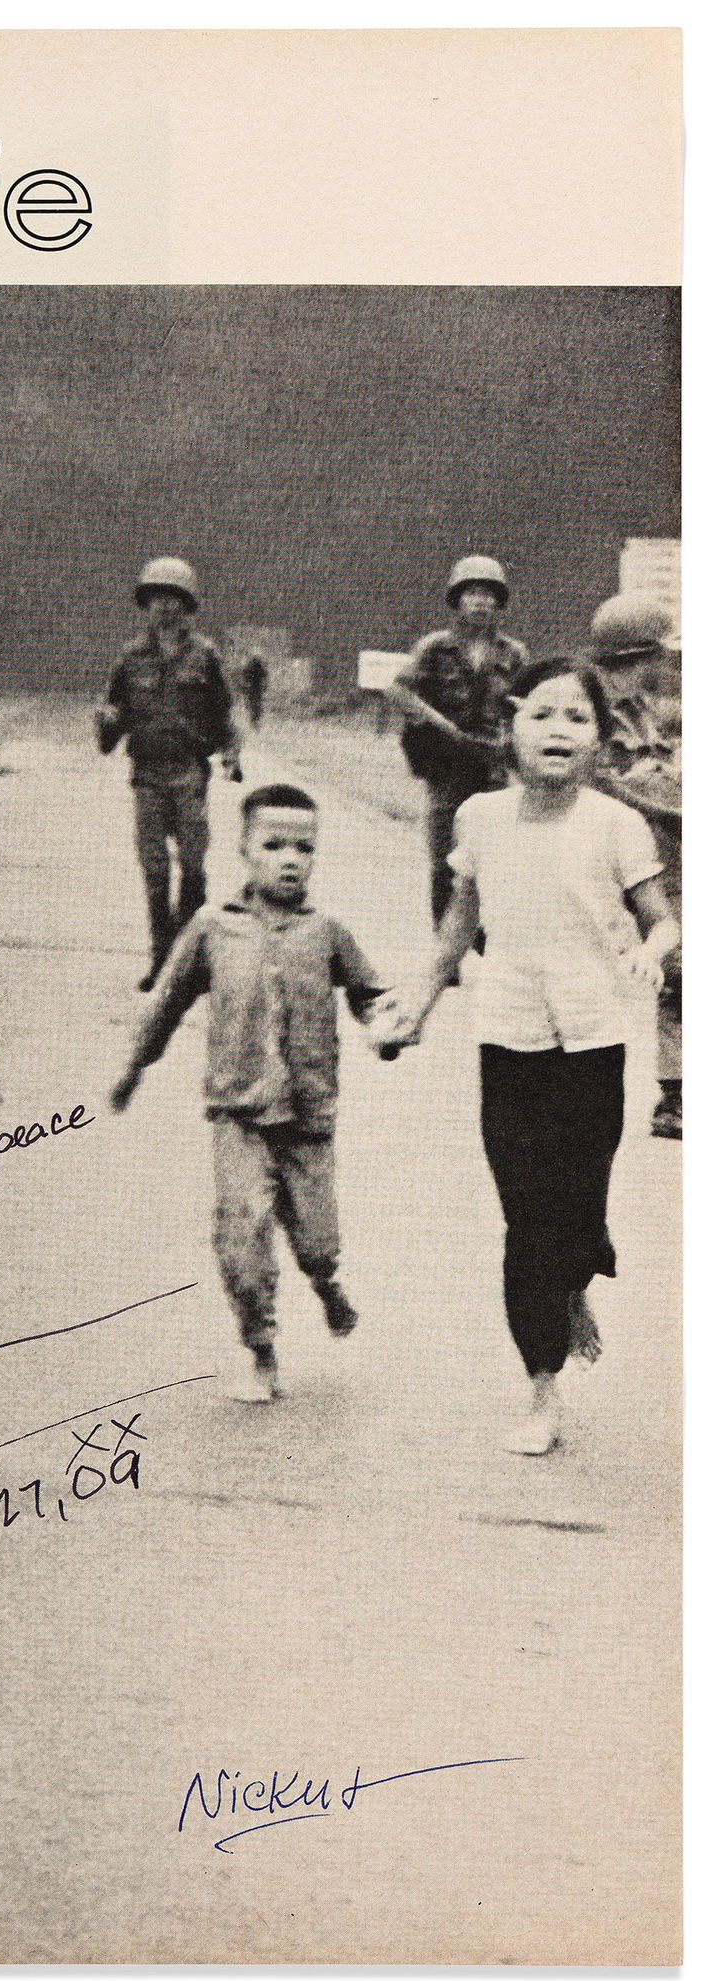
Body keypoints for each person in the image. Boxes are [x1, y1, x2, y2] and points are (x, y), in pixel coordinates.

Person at [388, 662, 678, 1457]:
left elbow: (661, 919)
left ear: (600, 740)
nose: (558, 730)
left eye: (577, 718)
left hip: (591, 1037)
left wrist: (653, 952)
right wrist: (415, 1002)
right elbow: (456, 929)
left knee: (575, 1210)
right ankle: (541, 1386)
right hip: (506, 1033)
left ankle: (574, 1275)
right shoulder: (480, 818)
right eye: (542, 713)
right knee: (526, 1219)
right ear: (510, 727)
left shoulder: (617, 826)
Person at [109, 782, 400, 1403]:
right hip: (236, 1112)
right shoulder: (213, 929)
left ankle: (326, 1284)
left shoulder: (329, 933)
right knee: (242, 1236)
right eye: (274, 845)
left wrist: (387, 1029)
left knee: (317, 1238)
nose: (291, 858)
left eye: (305, 847)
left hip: (308, 1115)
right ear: (244, 850)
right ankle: (261, 1349)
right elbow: (164, 1003)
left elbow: (370, 995)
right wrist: (134, 1067)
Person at [95, 556, 243, 991]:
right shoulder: (131, 657)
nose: (165, 606)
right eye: (157, 597)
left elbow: (225, 713)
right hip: (147, 777)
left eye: (174, 598)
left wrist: (231, 754)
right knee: (155, 871)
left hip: (189, 775)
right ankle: (162, 958)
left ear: (187, 604)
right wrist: (105, 721)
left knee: (194, 868)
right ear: (146, 603)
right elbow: (113, 714)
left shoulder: (205, 655)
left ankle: (189, 956)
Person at [388, 555, 528, 929]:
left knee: (492, 855)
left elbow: (525, 705)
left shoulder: (513, 653)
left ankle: (481, 932)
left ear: (499, 603)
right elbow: (399, 690)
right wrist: (441, 725)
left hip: (492, 767)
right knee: (444, 859)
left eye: (488, 594)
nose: (481, 601)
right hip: (446, 768)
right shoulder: (436, 647)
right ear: (458, 599)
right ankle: (444, 939)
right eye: (472, 593)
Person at [590, 593, 682, 1139]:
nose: (665, 664)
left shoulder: (642, 708)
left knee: (681, 974)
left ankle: (677, 1095)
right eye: (659, 654)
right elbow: (600, 784)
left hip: (659, 858)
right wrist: (673, 810)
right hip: (613, 864)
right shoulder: (592, 708)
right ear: (638, 652)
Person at [240, 652, 268, 730]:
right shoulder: (258, 667)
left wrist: (244, 687)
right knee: (256, 704)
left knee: (253, 705)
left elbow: (244, 677)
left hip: (252, 689)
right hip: (256, 689)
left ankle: (254, 720)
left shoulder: (249, 667)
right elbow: (264, 678)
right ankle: (255, 720)